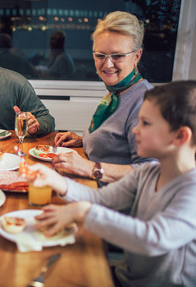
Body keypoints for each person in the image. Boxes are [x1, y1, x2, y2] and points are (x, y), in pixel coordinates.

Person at [31, 81, 196, 286]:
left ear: (180, 136)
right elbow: (100, 199)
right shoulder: (148, 173)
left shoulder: (191, 190)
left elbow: (153, 239)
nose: (134, 130)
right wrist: (57, 181)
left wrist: (83, 212)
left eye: (145, 123)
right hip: (126, 278)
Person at [53, 11, 155, 185]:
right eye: (100, 55)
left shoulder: (146, 102)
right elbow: (114, 145)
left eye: (117, 56)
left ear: (137, 56)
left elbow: (150, 171)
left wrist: (89, 168)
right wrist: (82, 140)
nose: (107, 64)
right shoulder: (117, 92)